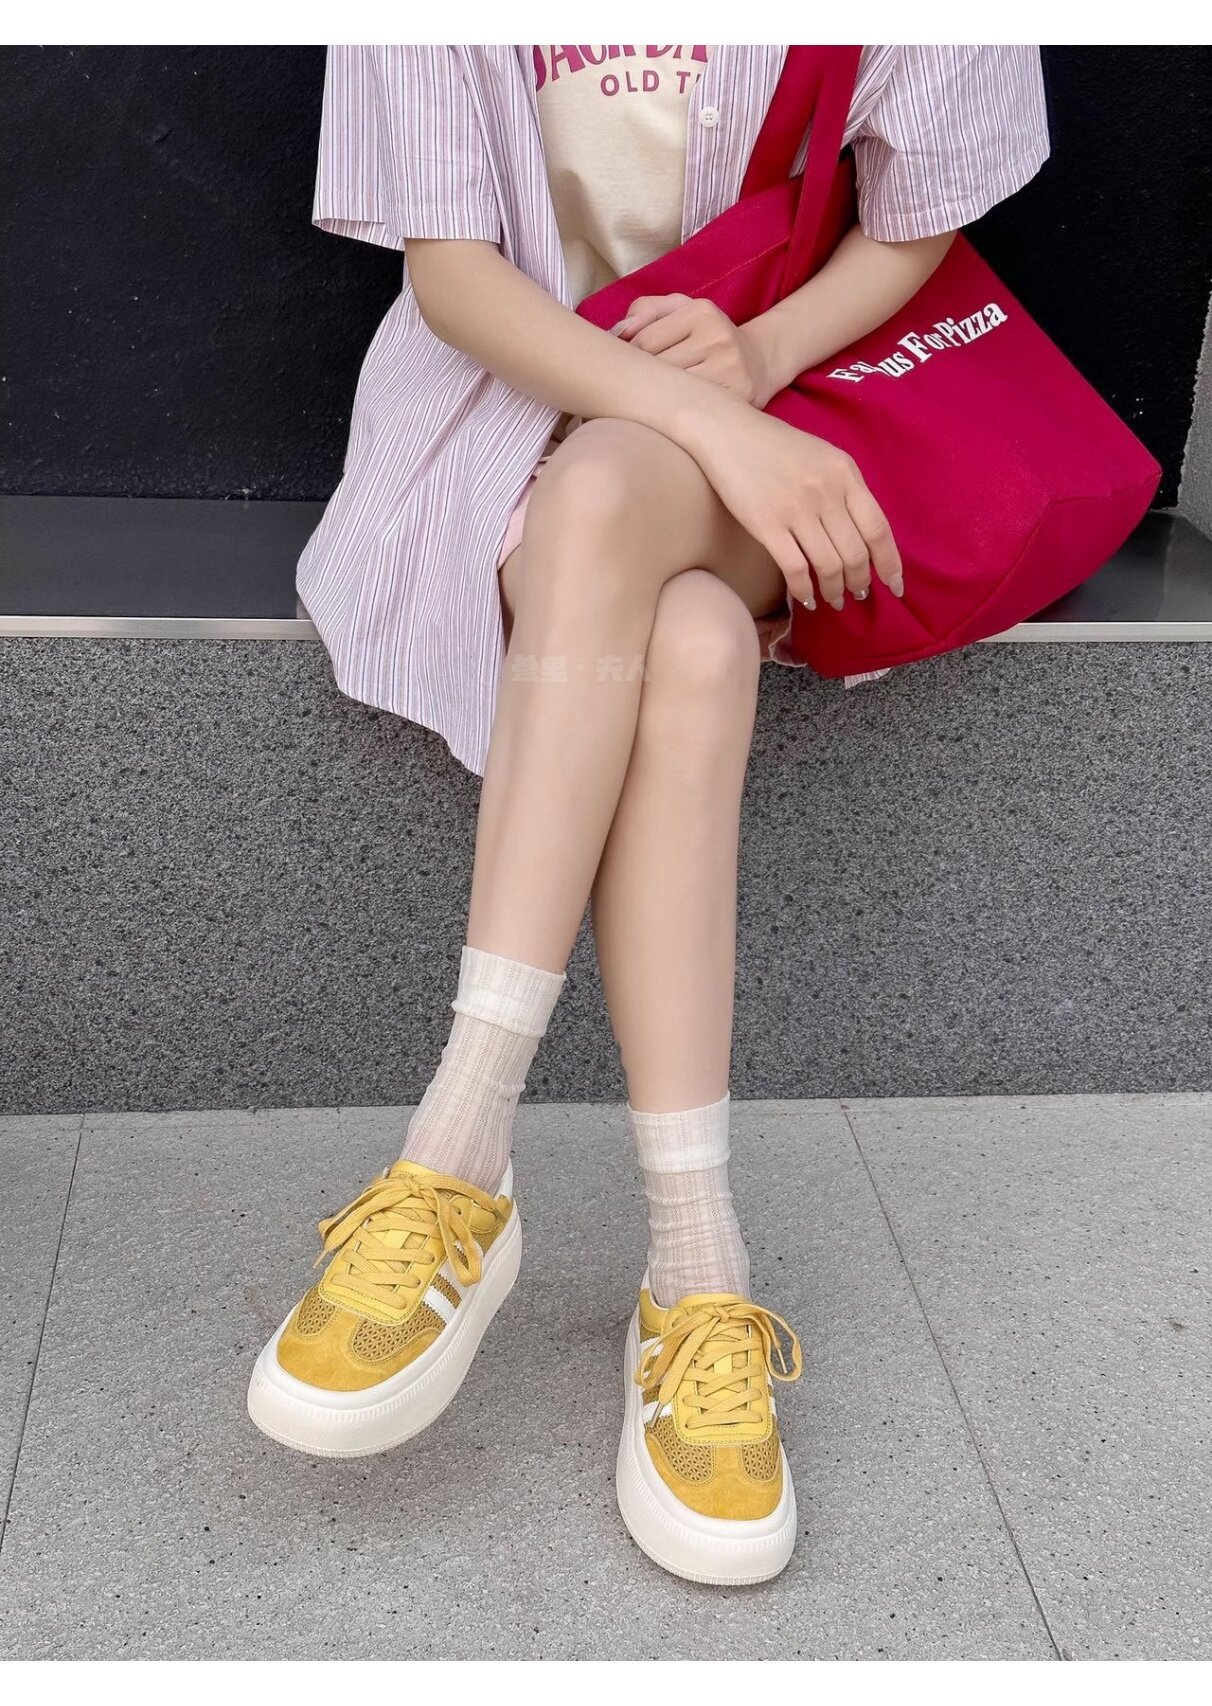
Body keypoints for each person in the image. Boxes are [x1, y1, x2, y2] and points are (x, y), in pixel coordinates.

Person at [248, 44, 1050, 1586]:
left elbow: (921, 213)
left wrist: (754, 370)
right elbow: (454, 273)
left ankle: (459, 1151)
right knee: (689, 644)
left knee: (615, 499)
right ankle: (695, 1265)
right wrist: (712, 424)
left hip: (800, 393)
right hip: (505, 415)